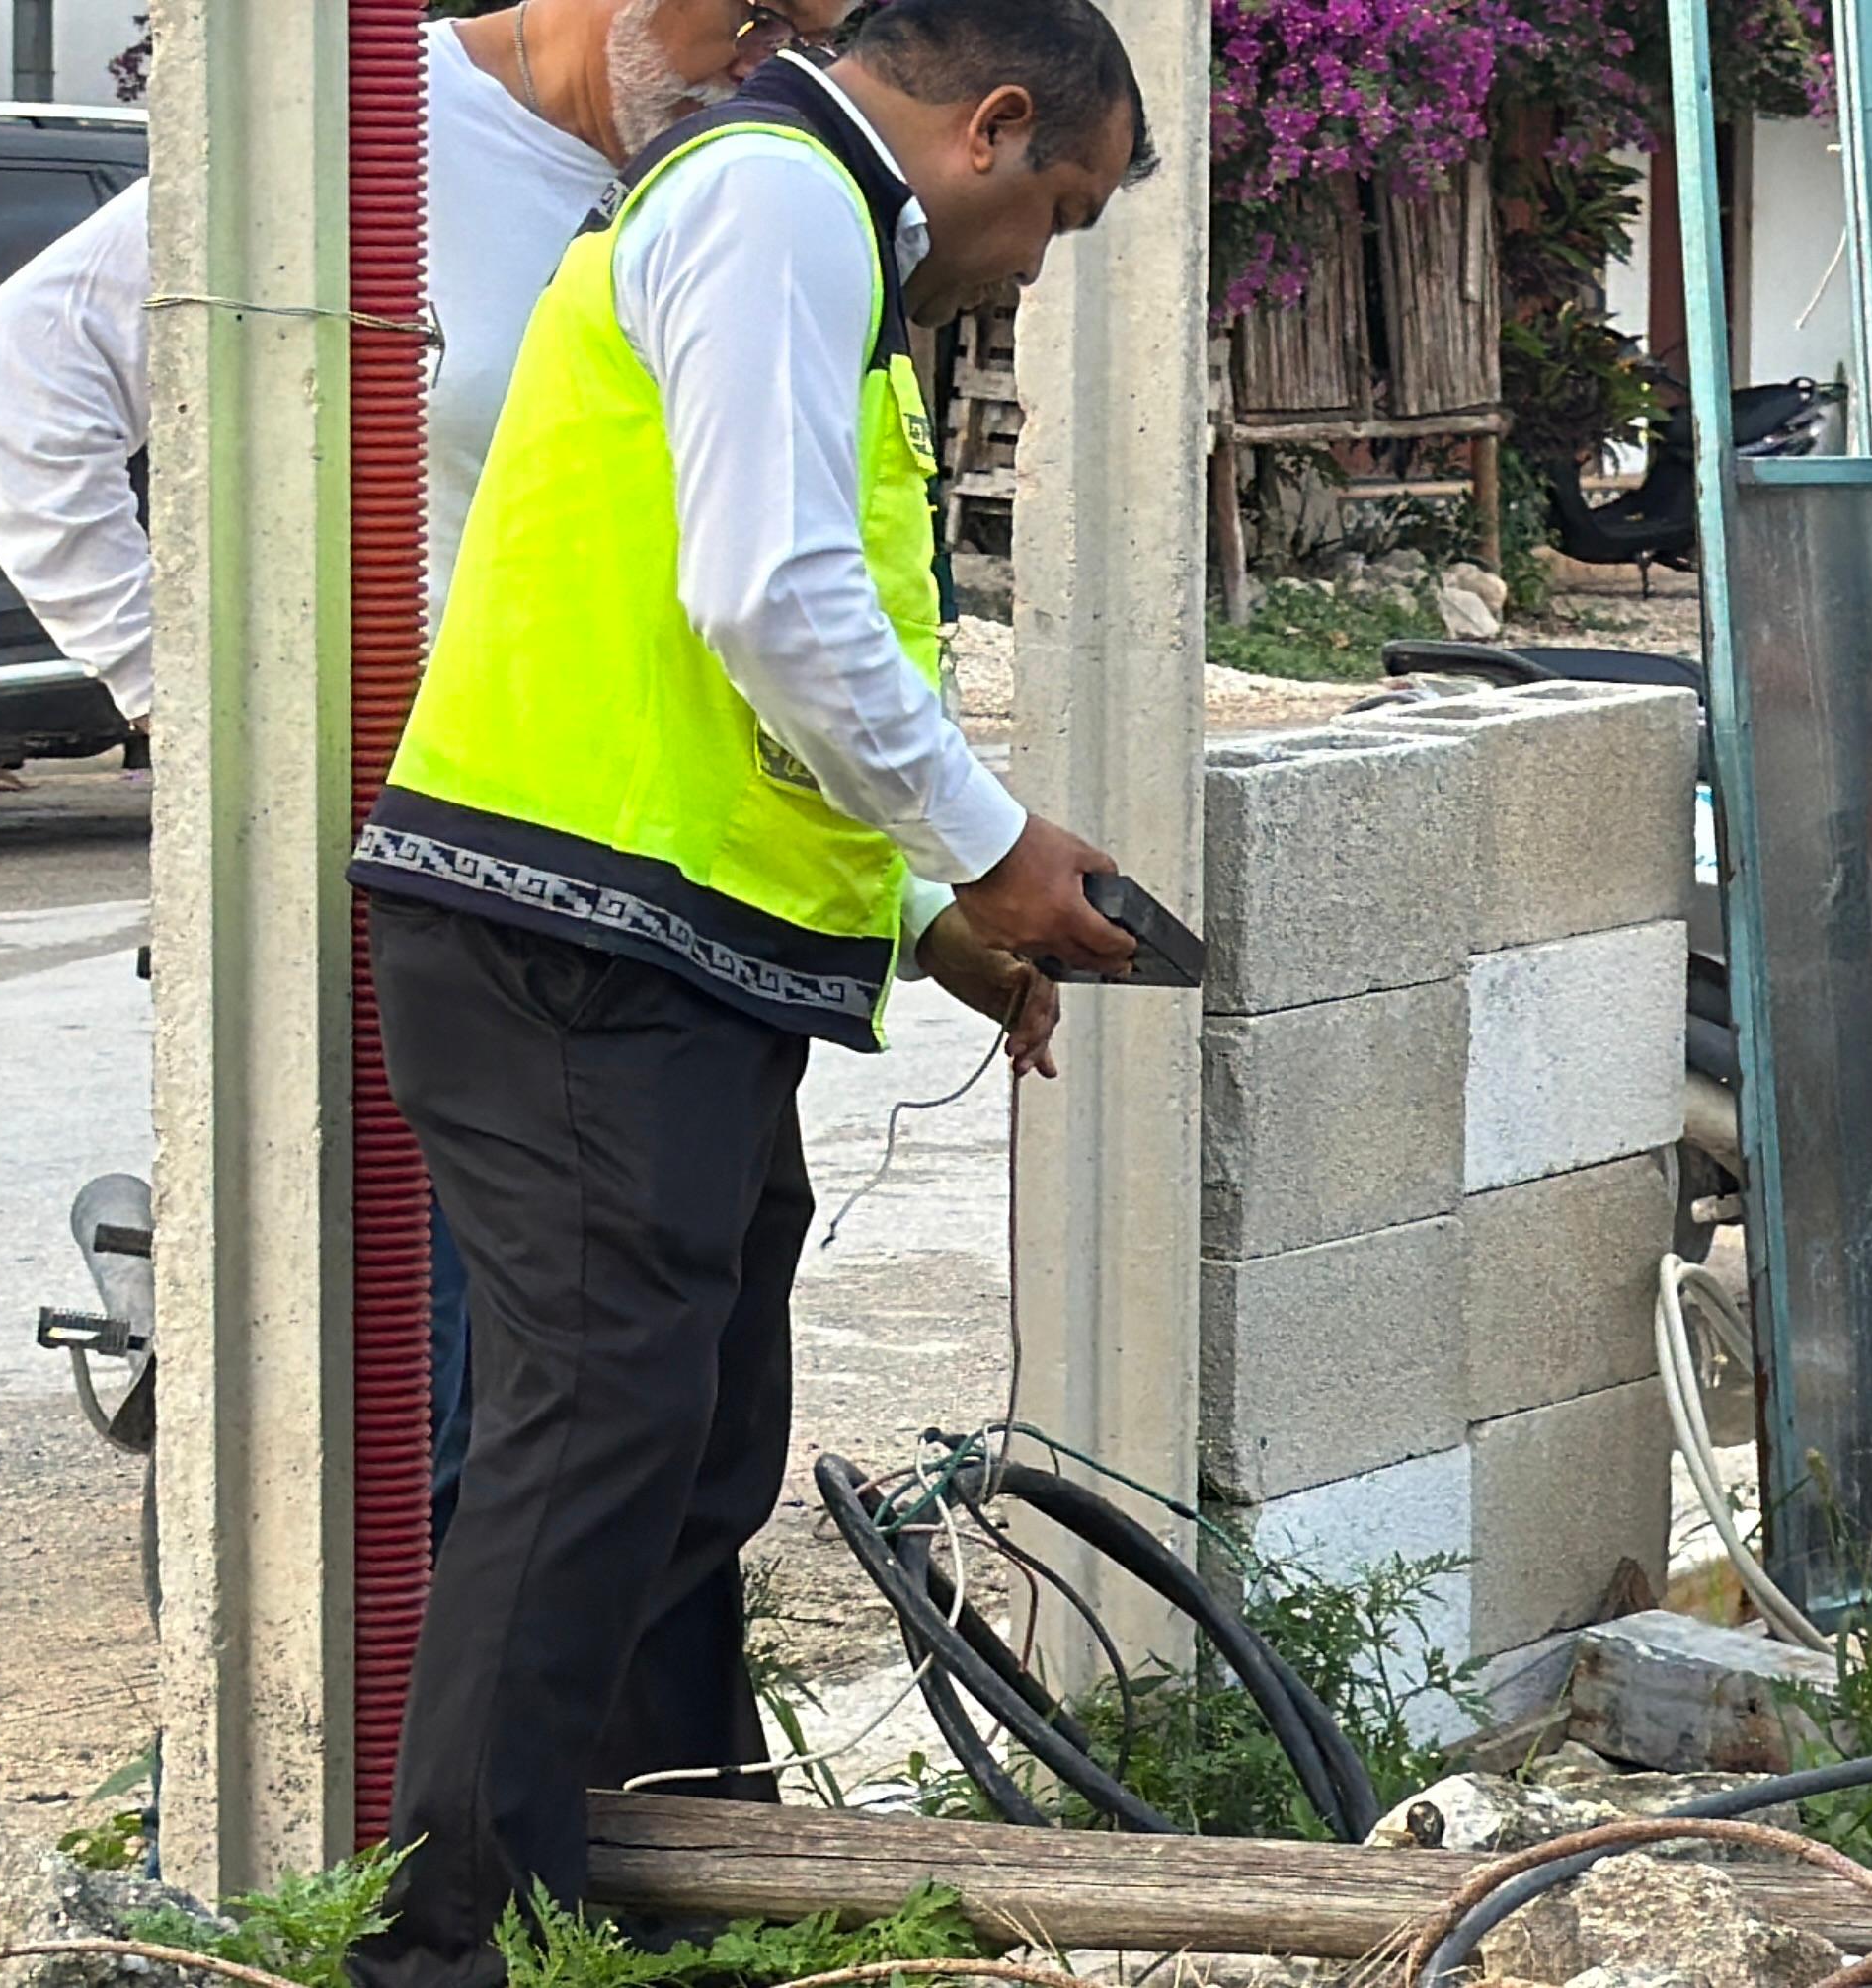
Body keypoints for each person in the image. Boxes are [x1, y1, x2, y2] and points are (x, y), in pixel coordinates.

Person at [342, 0, 1152, 1974]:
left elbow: (744, 703)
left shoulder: (806, 238)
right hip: (568, 942)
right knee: (598, 1415)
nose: (1034, 261)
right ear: (991, 123)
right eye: (1054, 208)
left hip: (650, 950)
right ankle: (445, 1941)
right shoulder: (777, 202)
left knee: (682, 1421)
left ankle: (638, 1852)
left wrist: (923, 924)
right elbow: (768, 593)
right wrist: (986, 837)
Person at [0, 0, 849, 1548]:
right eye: (751, 8)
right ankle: (321, 1765)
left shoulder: (727, 171)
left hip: (620, 883)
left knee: (614, 1385)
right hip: (401, 857)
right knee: (402, 1375)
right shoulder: (375, 126)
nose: (763, 55)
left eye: (812, 31)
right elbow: (26, 361)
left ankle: (547, 1753)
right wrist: (186, 693)